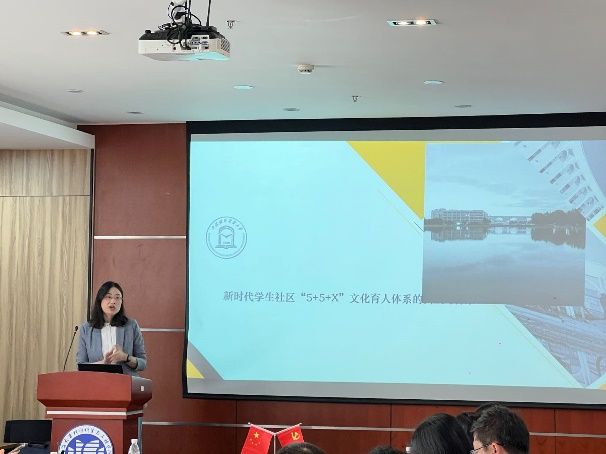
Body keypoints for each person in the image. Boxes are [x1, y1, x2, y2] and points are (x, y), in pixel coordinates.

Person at [76, 281, 147, 375]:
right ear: (100, 300)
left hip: (124, 381)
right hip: (97, 381)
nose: (113, 301)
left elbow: (142, 363)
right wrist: (102, 363)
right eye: (108, 297)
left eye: (117, 297)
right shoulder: (86, 329)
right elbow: (81, 365)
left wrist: (125, 357)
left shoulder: (131, 326)